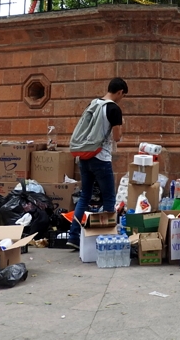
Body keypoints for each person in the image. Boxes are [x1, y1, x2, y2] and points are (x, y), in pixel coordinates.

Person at [66, 77, 128, 250]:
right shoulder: (114, 109)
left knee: (85, 196)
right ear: (120, 92)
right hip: (101, 157)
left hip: (84, 156)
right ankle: (107, 239)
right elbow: (116, 137)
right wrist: (122, 126)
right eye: (123, 95)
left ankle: (73, 236)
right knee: (109, 198)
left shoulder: (93, 103)